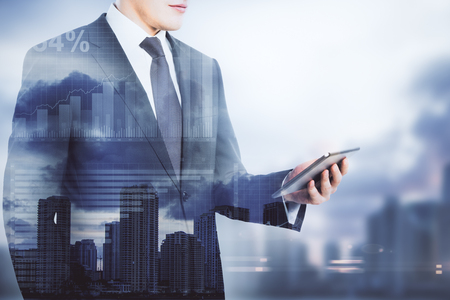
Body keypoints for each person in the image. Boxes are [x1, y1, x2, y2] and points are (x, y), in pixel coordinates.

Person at [3, 0, 348, 297]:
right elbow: (24, 203)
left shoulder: (204, 69)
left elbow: (220, 184)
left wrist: (288, 187)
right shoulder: (57, 59)